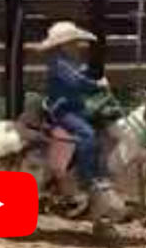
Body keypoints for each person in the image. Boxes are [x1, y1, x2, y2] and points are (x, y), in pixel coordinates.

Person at [36, 21, 112, 210]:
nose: (78, 45)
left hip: (75, 107)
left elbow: (78, 79)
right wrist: (97, 85)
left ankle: (94, 168)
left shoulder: (68, 62)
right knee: (87, 134)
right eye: (74, 42)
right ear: (64, 44)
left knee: (103, 124)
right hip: (63, 110)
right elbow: (75, 83)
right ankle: (86, 177)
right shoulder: (59, 63)